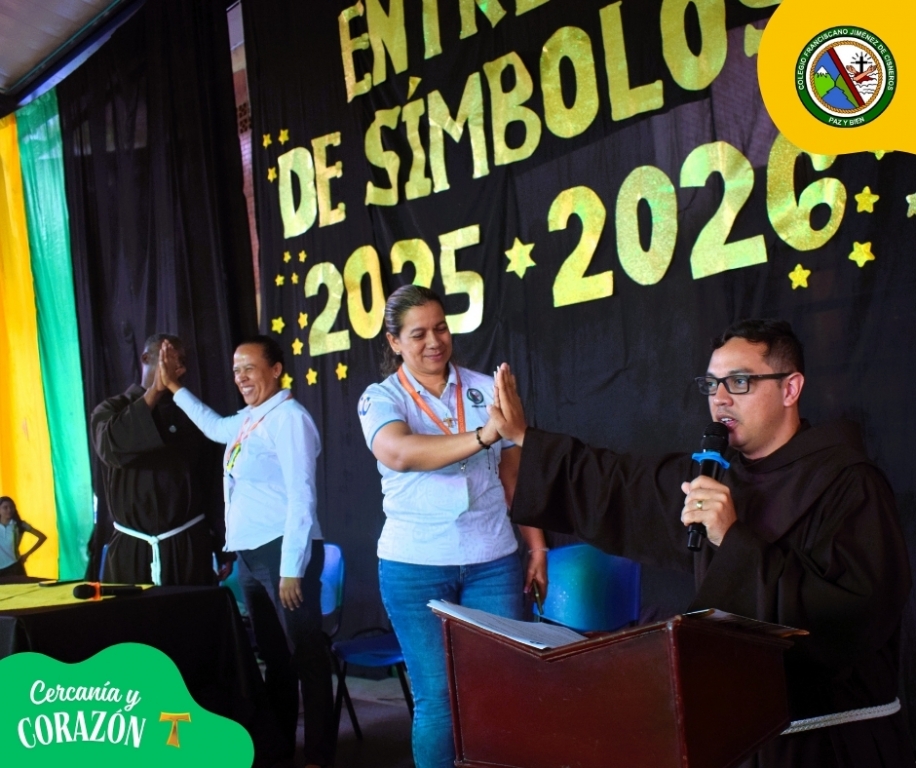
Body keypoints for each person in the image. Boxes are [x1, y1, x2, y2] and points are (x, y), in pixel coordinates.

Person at [488, 318, 913, 768]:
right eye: (712, 384)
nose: (720, 399)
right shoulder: (713, 476)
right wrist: (524, 438)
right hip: (742, 741)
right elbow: (619, 484)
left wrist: (732, 539)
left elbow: (852, 618)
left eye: (740, 382)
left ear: (790, 389)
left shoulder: (849, 484)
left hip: (830, 744)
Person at [357, 285, 549, 768]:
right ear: (394, 341)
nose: (434, 341)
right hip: (414, 566)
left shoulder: (486, 388)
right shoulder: (380, 398)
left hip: (492, 561)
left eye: (440, 328)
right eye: (418, 333)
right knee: (439, 700)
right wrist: (486, 434)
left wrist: (537, 547)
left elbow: (515, 477)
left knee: (501, 690)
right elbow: (400, 452)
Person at [159, 334, 334, 768]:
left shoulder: (289, 418)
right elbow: (214, 427)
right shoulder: (250, 418)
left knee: (307, 657)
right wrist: (174, 387)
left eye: (249, 368)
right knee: (275, 658)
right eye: (236, 370)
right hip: (253, 557)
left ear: (276, 370)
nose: (240, 377)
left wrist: (291, 568)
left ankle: (319, 756)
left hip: (283, 553)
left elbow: (302, 496)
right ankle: (279, 749)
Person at [91, 333, 230, 586]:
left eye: (182, 362)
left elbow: (212, 486)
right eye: (169, 360)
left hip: (187, 547)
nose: (179, 369)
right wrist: (155, 390)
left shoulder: (192, 414)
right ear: (146, 358)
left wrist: (223, 546)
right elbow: (111, 447)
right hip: (132, 550)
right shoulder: (111, 410)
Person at [0, 496, 47, 577]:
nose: (9, 510)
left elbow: (42, 537)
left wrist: (26, 555)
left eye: (11, 507)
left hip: (14, 567)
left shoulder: (20, 525)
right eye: (5, 507)